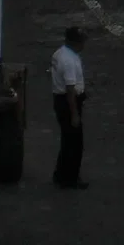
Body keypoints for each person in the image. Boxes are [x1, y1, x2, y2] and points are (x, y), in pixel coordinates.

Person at [50, 26, 87, 189]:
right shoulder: (68, 60)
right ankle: (70, 177)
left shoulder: (60, 53)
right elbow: (70, 90)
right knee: (74, 143)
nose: (83, 44)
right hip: (68, 102)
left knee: (67, 140)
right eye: (80, 41)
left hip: (60, 99)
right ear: (72, 42)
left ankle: (61, 174)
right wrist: (75, 114)